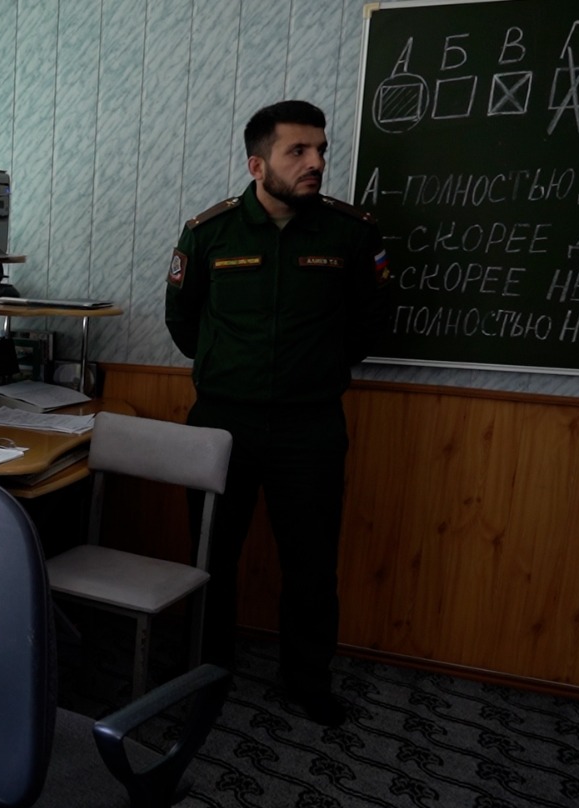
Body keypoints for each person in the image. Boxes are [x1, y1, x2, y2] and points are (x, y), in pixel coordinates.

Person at [164, 99, 389, 728]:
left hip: (309, 425)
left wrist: (313, 372)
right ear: (257, 165)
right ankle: (207, 671)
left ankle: (308, 681)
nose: (315, 162)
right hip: (221, 423)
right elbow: (183, 323)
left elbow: (369, 323)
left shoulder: (350, 234)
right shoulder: (209, 233)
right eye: (298, 151)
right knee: (212, 556)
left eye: (320, 150)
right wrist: (231, 371)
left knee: (311, 563)